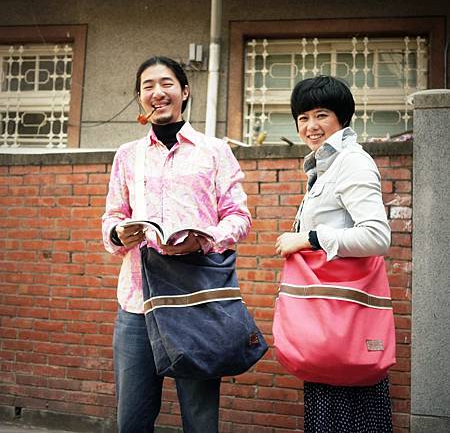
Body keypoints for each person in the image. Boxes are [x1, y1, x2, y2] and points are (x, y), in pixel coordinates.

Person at [102, 56, 251, 433]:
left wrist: (207, 239)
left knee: (200, 420)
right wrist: (118, 234)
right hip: (137, 303)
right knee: (132, 420)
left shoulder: (214, 151)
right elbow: (112, 215)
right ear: (139, 97)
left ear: (184, 91)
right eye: (148, 86)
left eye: (166, 83)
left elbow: (239, 216)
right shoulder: (127, 155)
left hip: (196, 300)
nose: (157, 92)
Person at [275, 75, 393, 432]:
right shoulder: (324, 166)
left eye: (321, 115)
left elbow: (376, 236)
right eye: (303, 117)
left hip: (342, 324)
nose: (310, 126)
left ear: (341, 117)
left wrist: (308, 238)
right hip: (329, 323)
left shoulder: (351, 162)